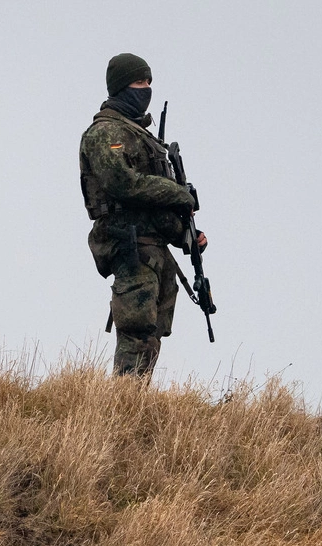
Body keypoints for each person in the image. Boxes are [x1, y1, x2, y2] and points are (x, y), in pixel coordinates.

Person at [79, 53, 208, 377]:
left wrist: (185, 236)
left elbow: (152, 205)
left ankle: (134, 406)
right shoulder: (105, 133)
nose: (145, 88)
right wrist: (177, 193)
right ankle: (121, 409)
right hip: (130, 245)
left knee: (152, 334)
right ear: (121, 87)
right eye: (139, 82)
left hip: (154, 248)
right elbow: (123, 184)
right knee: (136, 331)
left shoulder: (144, 137)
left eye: (149, 82)